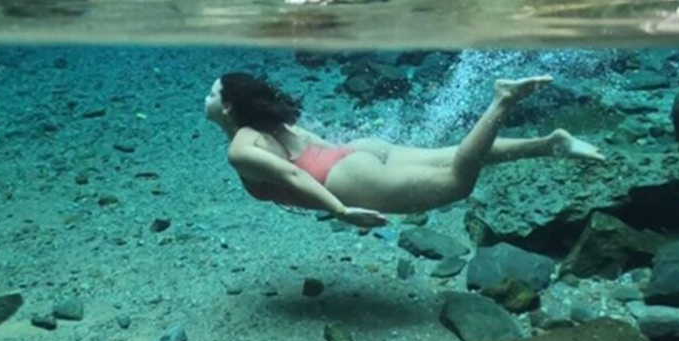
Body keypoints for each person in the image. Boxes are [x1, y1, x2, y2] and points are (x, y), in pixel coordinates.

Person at [204, 72, 604, 229]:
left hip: (348, 177)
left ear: (227, 107)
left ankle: (502, 101)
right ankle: (552, 144)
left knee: (457, 181)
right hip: (358, 155)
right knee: (453, 153)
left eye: (211, 93)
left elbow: (294, 175)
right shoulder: (270, 124)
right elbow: (319, 145)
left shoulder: (240, 148)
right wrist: (358, 157)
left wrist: (342, 211)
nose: (205, 97)